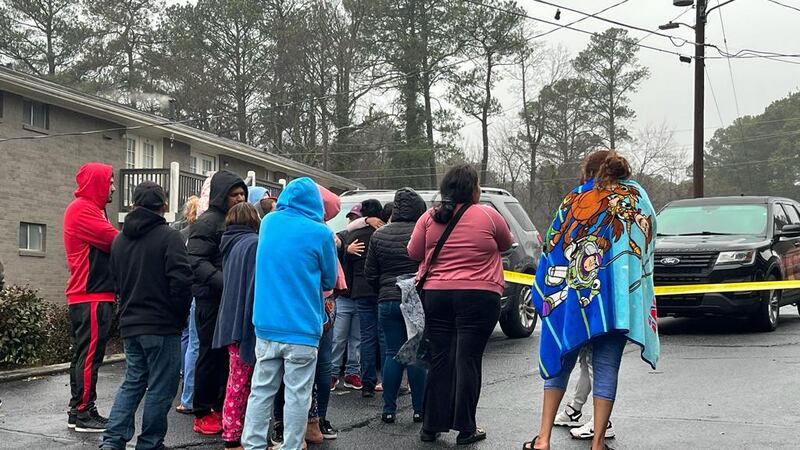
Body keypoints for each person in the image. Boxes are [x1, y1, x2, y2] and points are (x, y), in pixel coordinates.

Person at [523, 151, 660, 450]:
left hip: (574, 301)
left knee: (562, 359)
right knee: (607, 366)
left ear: (588, 172)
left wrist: (546, 289)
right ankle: (598, 442)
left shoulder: (574, 199)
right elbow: (648, 241)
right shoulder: (638, 198)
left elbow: (552, 247)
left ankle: (543, 439)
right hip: (616, 305)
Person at [407, 164, 513, 445]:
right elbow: (506, 243)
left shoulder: (429, 217)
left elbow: (413, 252)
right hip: (480, 296)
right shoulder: (488, 215)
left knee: (440, 358)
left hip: (437, 295)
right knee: (468, 359)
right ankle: (466, 427)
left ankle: (431, 426)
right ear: (473, 189)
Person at [242, 177, 338, 450]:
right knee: (298, 394)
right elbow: (329, 279)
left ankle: (252, 444)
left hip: (266, 324)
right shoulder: (321, 233)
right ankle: (292, 445)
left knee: (261, 390)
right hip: (302, 327)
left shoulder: (269, 223)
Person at [101, 181, 193, 450]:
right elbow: (182, 282)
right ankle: (150, 443)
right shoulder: (170, 237)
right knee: (161, 388)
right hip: (162, 325)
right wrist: (179, 318)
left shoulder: (119, 240)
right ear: (164, 205)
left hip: (131, 323)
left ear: (133, 204)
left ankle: (113, 440)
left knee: (133, 382)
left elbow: (116, 281)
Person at [553, 151, 616, 441]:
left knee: (595, 361)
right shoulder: (620, 201)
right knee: (586, 359)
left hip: (594, 298)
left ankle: (602, 422)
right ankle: (575, 409)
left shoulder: (595, 202)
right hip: (596, 295)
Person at [187, 170, 248, 435]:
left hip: (231, 299)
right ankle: (202, 411)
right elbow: (195, 260)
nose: (240, 198)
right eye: (234, 194)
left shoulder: (238, 222)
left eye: (242, 193)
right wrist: (226, 282)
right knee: (209, 355)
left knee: (227, 356)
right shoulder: (206, 222)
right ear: (221, 196)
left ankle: (221, 406)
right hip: (211, 299)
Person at [63, 162, 119, 432]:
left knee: (84, 356)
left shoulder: (91, 210)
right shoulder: (83, 209)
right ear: (97, 183)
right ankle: (84, 412)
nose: (113, 188)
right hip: (91, 294)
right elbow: (116, 241)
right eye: (110, 182)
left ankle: (78, 410)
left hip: (88, 294)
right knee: (89, 358)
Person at [365, 188, 427, 424]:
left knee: (392, 352)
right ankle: (419, 410)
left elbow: (370, 273)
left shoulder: (379, 235)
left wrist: (383, 290)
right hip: (415, 298)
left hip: (387, 299)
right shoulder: (423, 232)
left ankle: (389, 409)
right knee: (415, 353)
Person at [212, 202, 261, 450]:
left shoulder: (230, 244)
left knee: (236, 379)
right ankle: (233, 436)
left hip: (228, 319)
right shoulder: (253, 244)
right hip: (244, 322)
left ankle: (232, 429)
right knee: (243, 381)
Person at [342, 199, 383, 397]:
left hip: (360, 290)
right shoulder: (382, 234)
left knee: (366, 337)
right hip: (381, 290)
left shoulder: (352, 236)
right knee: (383, 337)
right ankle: (387, 381)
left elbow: (346, 266)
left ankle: (367, 383)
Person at [330, 205, 364, 392]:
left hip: (359, 297)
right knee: (338, 338)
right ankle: (332, 373)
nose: (352, 221)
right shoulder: (341, 236)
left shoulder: (370, 236)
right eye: (350, 217)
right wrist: (346, 249)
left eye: (355, 217)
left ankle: (353, 373)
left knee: (356, 340)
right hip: (343, 297)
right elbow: (333, 249)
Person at [177, 195, 200, 415]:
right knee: (194, 340)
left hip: (184, 289)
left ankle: (184, 373)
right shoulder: (201, 234)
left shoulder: (181, 234)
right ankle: (190, 390)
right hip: (197, 291)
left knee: (186, 336)